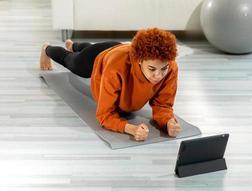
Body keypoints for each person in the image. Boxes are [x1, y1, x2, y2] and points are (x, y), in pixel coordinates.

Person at [39, 27, 181, 141]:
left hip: (116, 49)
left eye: (164, 69)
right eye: (152, 69)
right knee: (73, 62)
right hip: (101, 58)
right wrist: (130, 128)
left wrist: (168, 122)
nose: (158, 75)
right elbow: (105, 115)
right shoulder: (115, 68)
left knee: (89, 49)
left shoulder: (170, 66)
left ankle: (74, 45)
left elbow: (163, 105)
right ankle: (47, 48)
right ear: (139, 60)